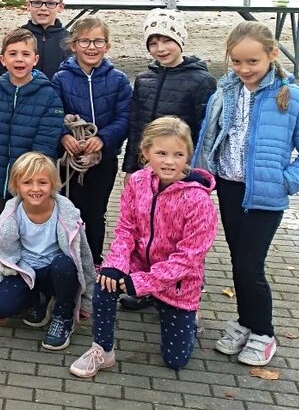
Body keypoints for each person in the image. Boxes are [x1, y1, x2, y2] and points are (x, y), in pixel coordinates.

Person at [194, 22, 299, 366]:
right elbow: (208, 139)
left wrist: (285, 181)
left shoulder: (296, 100)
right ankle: (244, 321)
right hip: (229, 188)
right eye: (236, 62)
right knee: (239, 262)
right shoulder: (225, 92)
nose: (244, 69)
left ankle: (264, 332)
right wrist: (200, 177)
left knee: (251, 265)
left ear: (272, 55)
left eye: (252, 61)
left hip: (265, 196)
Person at [70, 117, 216, 376]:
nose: (169, 161)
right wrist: (115, 266)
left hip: (177, 280)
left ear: (188, 156)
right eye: (161, 153)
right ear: (146, 152)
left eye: (178, 154)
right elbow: (126, 229)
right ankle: (102, 350)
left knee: (175, 360)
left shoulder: (198, 200)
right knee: (105, 281)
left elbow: (189, 258)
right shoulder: (137, 182)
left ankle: (187, 318)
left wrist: (145, 283)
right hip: (140, 264)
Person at [120, 9, 216, 310]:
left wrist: (196, 172)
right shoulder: (145, 79)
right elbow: (137, 125)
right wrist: (130, 166)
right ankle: (149, 288)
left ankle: (182, 291)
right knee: (149, 230)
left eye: (166, 40)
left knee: (177, 234)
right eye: (153, 42)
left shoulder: (201, 81)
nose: (160, 48)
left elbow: (205, 130)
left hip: (181, 173)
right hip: (147, 170)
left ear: (180, 40)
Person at [0, 152, 95, 351]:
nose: (35, 189)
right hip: (26, 272)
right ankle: (39, 300)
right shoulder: (11, 215)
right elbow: (1, 257)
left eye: (42, 183)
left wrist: (88, 301)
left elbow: (85, 257)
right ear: (17, 186)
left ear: (53, 184)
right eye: (27, 182)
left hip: (57, 272)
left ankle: (63, 316)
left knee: (63, 263)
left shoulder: (67, 213)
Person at [50, 17, 131, 266]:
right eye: (84, 41)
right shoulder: (61, 79)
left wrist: (103, 139)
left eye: (98, 41)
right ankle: (68, 259)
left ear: (107, 46)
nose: (91, 47)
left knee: (96, 214)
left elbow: (125, 116)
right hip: (69, 162)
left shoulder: (118, 80)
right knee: (69, 210)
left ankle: (93, 260)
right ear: (73, 45)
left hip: (103, 160)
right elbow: (53, 114)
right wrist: (64, 136)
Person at [0, 28, 65, 213]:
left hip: (32, 181)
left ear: (35, 60)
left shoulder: (49, 96)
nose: (19, 59)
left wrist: (33, 176)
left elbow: (46, 143)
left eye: (26, 54)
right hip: (1, 172)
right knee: (6, 218)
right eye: (13, 54)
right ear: (3, 60)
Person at [0, 0, 70, 79]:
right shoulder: (15, 39)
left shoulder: (69, 41)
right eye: (37, 3)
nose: (43, 8)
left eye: (50, 3)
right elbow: (2, 77)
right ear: (28, 5)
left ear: (61, 7)